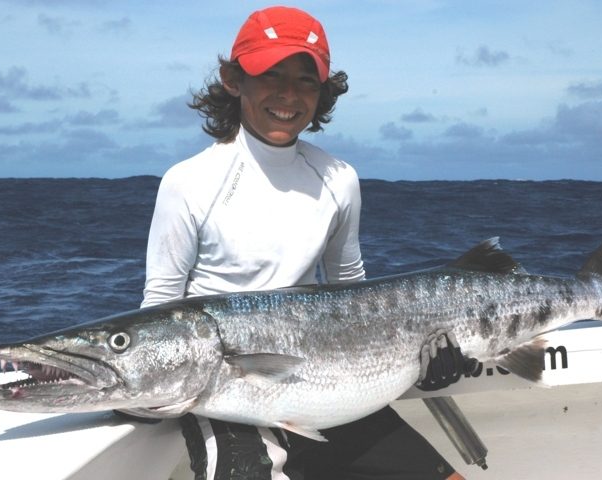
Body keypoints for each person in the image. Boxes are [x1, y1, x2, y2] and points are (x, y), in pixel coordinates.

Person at [141, 6, 468, 479]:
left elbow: (357, 296)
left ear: (323, 92)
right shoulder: (187, 183)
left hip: (326, 386)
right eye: (270, 75)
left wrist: (428, 356)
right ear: (235, 80)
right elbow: (160, 307)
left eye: (305, 80)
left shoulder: (338, 179)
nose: (288, 95)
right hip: (226, 392)